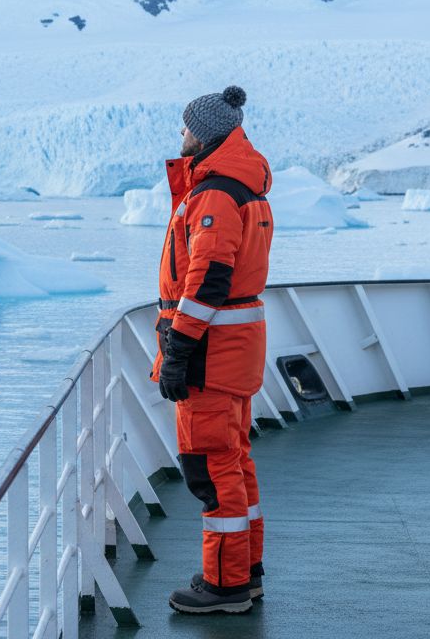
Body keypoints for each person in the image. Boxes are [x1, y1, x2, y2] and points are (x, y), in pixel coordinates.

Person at [150, 85, 274, 615]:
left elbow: (207, 278)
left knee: (209, 468)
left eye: (184, 128)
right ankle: (247, 574)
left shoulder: (217, 194)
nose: (180, 137)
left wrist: (177, 349)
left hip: (210, 354)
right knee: (235, 462)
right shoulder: (241, 187)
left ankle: (225, 588)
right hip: (233, 350)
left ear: (203, 133)